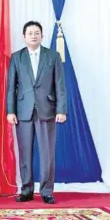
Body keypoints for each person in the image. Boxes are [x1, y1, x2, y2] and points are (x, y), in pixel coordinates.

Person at [6, 21, 66, 204]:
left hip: (46, 109)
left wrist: (61, 109)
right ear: (24, 36)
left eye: (37, 32)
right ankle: (26, 189)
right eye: (30, 33)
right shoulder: (17, 57)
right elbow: (11, 88)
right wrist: (10, 111)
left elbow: (60, 85)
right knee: (25, 153)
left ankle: (47, 191)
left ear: (42, 36)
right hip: (23, 111)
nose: (33, 35)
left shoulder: (53, 56)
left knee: (47, 153)